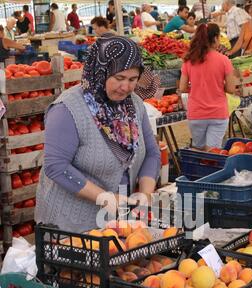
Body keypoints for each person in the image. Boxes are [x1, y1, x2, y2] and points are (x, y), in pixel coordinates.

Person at [35, 36, 161, 233]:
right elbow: (56, 166)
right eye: (119, 78)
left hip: (117, 222)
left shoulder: (133, 104)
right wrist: (102, 197)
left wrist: (145, 194)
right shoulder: (68, 109)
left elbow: (152, 153)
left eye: (132, 79)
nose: (126, 87)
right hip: (71, 225)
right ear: (100, 72)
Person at [179, 23, 236, 150]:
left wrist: (197, 87)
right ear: (215, 38)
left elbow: (182, 88)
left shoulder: (189, 60)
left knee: (198, 150)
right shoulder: (224, 60)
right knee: (213, 153)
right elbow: (231, 89)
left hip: (196, 113)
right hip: (218, 113)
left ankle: (198, 169)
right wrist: (218, 85)